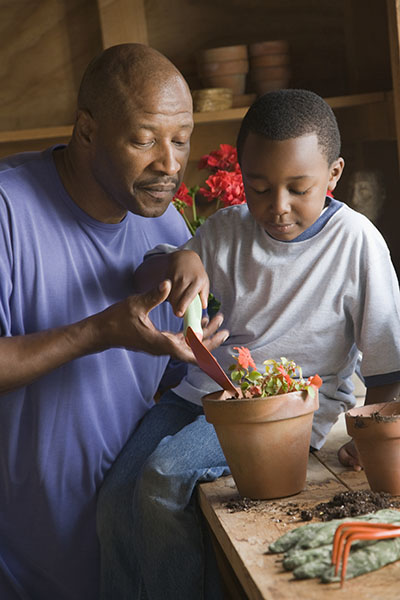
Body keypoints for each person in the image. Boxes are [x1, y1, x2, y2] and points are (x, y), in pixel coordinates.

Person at [97, 89, 400, 599]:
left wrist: (369, 437)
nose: (277, 208)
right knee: (114, 497)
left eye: (298, 189)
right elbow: (144, 272)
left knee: (164, 476)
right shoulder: (225, 230)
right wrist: (178, 261)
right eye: (258, 188)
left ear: (333, 174)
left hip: (285, 409)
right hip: (203, 394)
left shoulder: (357, 242)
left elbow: (389, 368)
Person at [0, 43, 228, 600]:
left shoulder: (166, 225)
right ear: (86, 130)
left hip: (128, 553)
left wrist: (198, 332)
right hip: (25, 564)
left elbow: (168, 395)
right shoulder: (9, 208)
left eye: (180, 139)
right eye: (143, 139)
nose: (170, 164)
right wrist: (96, 332)